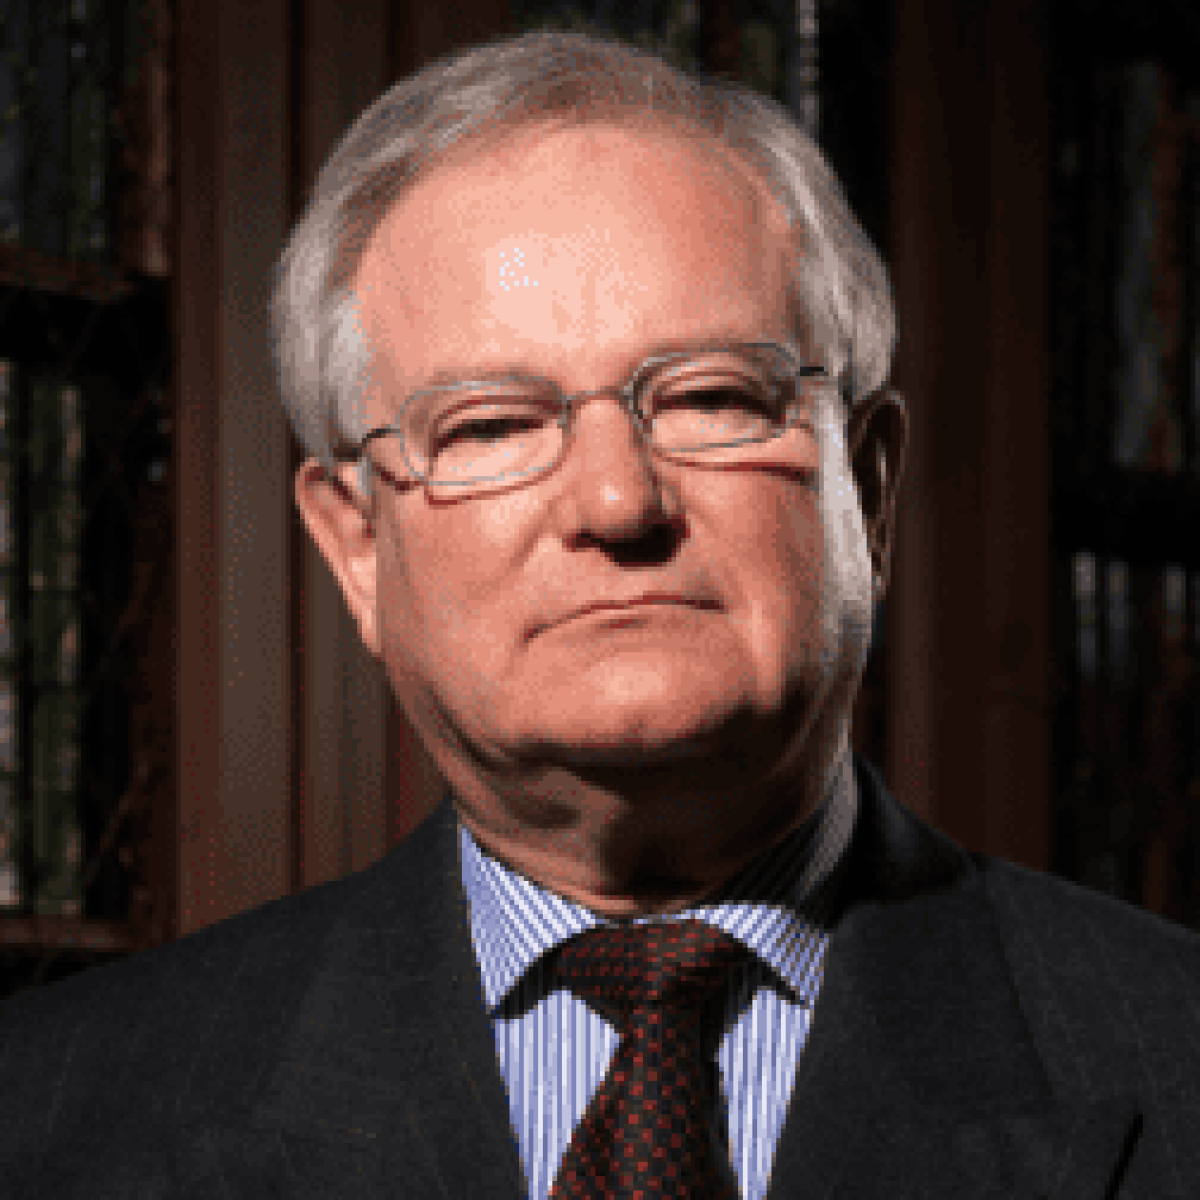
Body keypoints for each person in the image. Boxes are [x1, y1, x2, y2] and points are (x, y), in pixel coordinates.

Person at [1, 28, 1198, 1200]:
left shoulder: (1172, 1059)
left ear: (870, 493)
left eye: (714, 398)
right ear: (357, 544)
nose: (618, 502)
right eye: (491, 427)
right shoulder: (52, 1115)